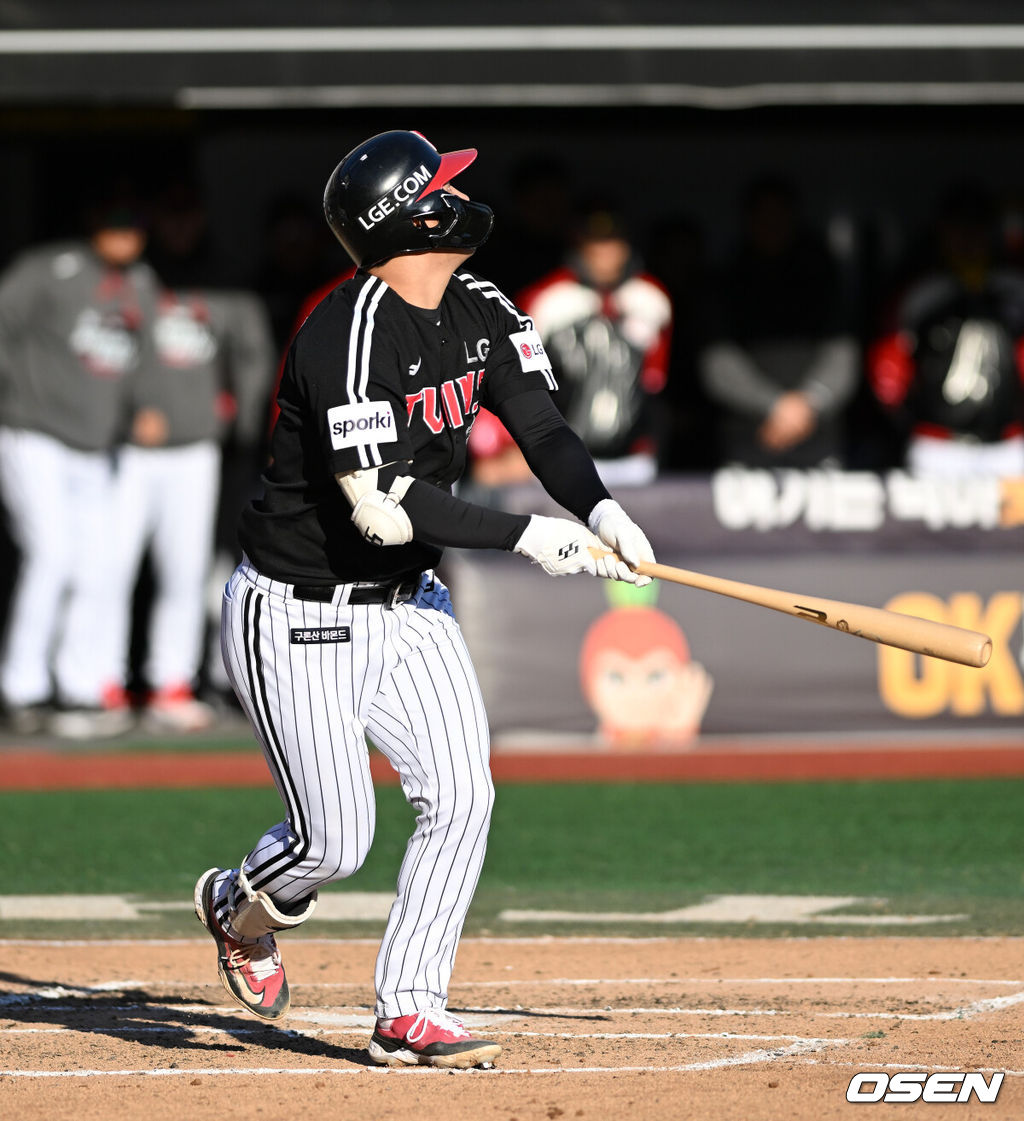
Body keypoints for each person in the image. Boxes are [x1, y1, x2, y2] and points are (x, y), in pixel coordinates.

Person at [193, 129, 655, 1070]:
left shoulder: (483, 304)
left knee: (463, 794)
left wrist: (600, 507)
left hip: (408, 604)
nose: (460, 195)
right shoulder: (343, 333)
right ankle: (238, 902)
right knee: (334, 842)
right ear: (412, 217)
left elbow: (542, 427)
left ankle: (410, 1006)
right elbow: (384, 507)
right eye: (441, 186)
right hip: (296, 609)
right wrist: (529, 535)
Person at [0, 192, 159, 737]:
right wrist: (15, 393)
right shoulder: (50, 268)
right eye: (115, 225)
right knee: (52, 556)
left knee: (97, 564)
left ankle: (76, 684)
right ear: (94, 226)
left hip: (96, 444)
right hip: (33, 431)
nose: (124, 236)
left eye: (133, 227)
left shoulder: (140, 282)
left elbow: (143, 360)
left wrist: (142, 408)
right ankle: (22, 688)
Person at [103, 284, 277, 731]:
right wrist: (127, 411)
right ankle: (98, 685)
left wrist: (242, 428)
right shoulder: (131, 283)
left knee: (185, 570)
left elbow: (251, 359)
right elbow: (100, 357)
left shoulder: (225, 291)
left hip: (197, 446)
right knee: (109, 567)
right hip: (129, 446)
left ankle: (172, 684)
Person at [699, 176, 859, 469]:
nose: (772, 225)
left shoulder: (822, 277)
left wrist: (808, 403)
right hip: (749, 445)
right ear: (748, 220)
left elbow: (843, 353)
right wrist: (775, 405)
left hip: (817, 445)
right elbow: (716, 362)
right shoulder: (727, 280)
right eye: (763, 216)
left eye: (780, 215)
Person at [867, 184, 1024, 477]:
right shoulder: (920, 291)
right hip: (939, 445)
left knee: (1015, 523)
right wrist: (909, 417)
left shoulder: (1015, 288)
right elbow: (888, 363)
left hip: (1008, 443)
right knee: (932, 524)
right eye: (959, 227)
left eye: (977, 227)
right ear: (942, 231)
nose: (968, 237)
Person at [517, 204, 673, 487]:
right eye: (595, 244)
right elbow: (517, 377)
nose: (604, 254)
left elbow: (657, 380)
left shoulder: (651, 297)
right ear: (580, 246)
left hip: (633, 455)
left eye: (612, 244)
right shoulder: (547, 298)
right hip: (561, 452)